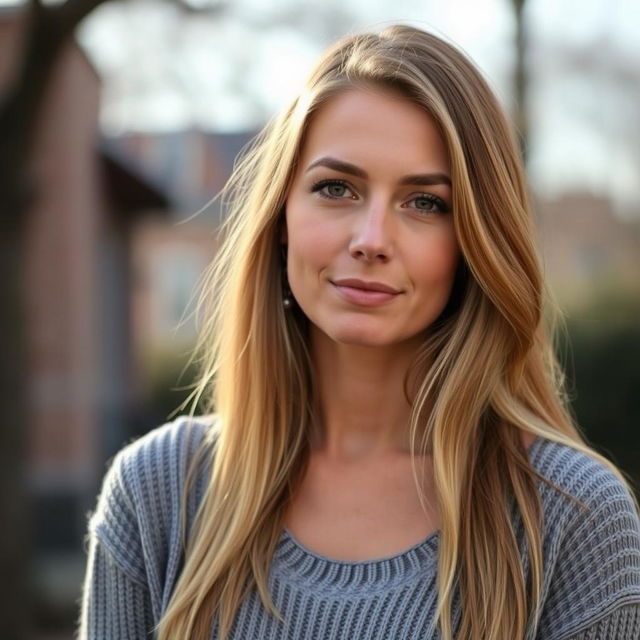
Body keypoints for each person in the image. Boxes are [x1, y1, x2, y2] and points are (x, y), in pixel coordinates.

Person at [78, 24, 640, 640]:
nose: (371, 239)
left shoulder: (570, 516)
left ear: (476, 241)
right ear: (282, 216)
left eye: (425, 202)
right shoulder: (158, 493)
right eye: (336, 189)